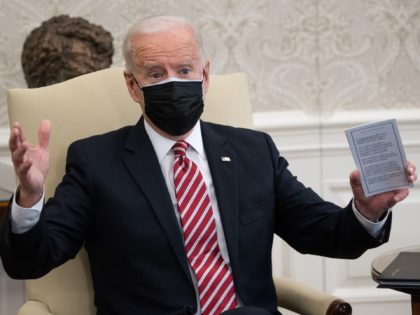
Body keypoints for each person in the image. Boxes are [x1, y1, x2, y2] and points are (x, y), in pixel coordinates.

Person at [0, 15, 417, 315]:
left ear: (205, 75)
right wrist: (30, 197)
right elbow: (32, 261)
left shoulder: (254, 151)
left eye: (184, 69)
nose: (174, 83)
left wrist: (368, 209)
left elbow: (324, 234)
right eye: (155, 73)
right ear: (132, 85)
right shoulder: (96, 161)